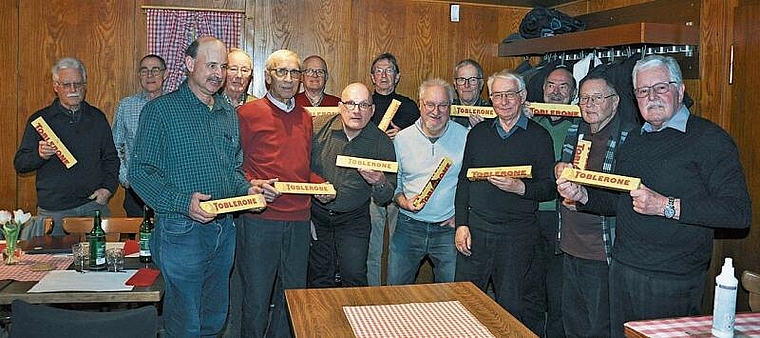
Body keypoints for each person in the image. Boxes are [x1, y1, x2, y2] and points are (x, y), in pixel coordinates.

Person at [556, 55, 751, 338]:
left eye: (660, 88)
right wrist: (582, 195)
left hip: (673, 280)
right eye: (643, 91)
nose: (652, 97)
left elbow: (738, 213)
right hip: (622, 270)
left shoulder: (710, 139)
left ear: (680, 90)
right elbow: (618, 201)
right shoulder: (635, 139)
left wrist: (665, 206)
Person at [129, 36, 259, 337]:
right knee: (185, 323)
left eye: (223, 66)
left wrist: (248, 190)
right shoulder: (161, 111)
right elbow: (140, 173)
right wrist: (183, 202)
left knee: (214, 318)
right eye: (211, 65)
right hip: (180, 231)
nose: (218, 73)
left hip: (224, 230)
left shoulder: (228, 114)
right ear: (189, 64)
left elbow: (233, 171)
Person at [237, 49, 332, 338]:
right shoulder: (247, 114)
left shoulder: (305, 117)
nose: (289, 79)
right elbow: (232, 167)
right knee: (256, 296)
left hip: (299, 220)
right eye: (282, 72)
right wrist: (252, 184)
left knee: (292, 297)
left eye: (295, 73)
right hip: (260, 219)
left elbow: (301, 169)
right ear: (267, 77)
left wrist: (321, 186)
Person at [455, 70, 555, 323]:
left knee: (511, 311)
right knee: (465, 304)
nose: (504, 101)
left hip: (517, 237)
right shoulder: (477, 134)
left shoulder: (539, 136)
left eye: (510, 94)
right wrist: (461, 225)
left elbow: (549, 188)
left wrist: (520, 188)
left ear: (522, 96)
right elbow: (463, 182)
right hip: (476, 231)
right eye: (497, 95)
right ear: (490, 99)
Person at [553, 74, 637, 338]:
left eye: (597, 98)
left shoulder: (630, 137)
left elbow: (626, 200)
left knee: (599, 328)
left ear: (615, 102)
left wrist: (583, 196)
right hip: (570, 244)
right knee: (573, 325)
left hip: (602, 251)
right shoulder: (575, 130)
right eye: (584, 98)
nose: (589, 104)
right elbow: (565, 174)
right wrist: (558, 168)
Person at [14, 57, 118, 235]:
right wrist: (40, 155)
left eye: (78, 84)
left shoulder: (97, 117)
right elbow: (20, 164)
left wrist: (107, 189)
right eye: (66, 84)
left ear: (85, 85)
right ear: (56, 86)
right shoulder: (40, 120)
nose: (73, 90)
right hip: (54, 213)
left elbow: (111, 158)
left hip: (93, 207)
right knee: (51, 263)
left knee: (100, 261)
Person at [308, 83, 396, 287]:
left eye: (364, 105)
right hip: (317, 216)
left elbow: (386, 196)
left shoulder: (381, 143)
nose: (356, 111)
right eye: (350, 104)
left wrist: (380, 182)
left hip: (353, 219)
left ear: (372, 110)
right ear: (340, 107)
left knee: (354, 276)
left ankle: (355, 319)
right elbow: (300, 167)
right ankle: (322, 320)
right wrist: (315, 187)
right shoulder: (317, 128)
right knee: (318, 276)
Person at [387, 78, 468, 285]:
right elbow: (394, 185)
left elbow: (474, 184)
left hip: (448, 231)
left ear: (451, 107)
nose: (436, 111)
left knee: (452, 297)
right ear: (420, 105)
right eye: (430, 104)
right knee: (395, 293)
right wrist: (404, 202)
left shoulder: (467, 137)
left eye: (443, 105)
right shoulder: (402, 139)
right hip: (408, 227)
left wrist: (462, 215)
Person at [522, 65, 577, 338]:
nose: (556, 92)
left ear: (573, 93)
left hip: (562, 219)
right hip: (529, 215)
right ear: (542, 90)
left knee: (558, 293)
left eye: (563, 86)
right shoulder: (529, 123)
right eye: (550, 86)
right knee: (529, 289)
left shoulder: (580, 126)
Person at [366, 52, 420, 286]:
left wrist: (403, 135)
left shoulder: (409, 107)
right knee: (373, 245)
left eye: (389, 70)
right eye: (379, 70)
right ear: (372, 76)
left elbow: (422, 139)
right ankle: (373, 292)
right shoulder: (364, 104)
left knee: (400, 245)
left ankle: (396, 293)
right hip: (372, 181)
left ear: (397, 76)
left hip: (401, 183)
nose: (384, 75)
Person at [112, 54, 166, 217]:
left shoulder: (176, 106)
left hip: (169, 188)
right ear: (139, 76)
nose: (150, 75)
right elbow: (115, 145)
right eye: (144, 71)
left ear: (166, 74)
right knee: (138, 240)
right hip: (136, 190)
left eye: (155, 70)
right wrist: (125, 178)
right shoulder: (126, 106)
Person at [452, 59, 490, 128]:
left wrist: (484, 130)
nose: (467, 85)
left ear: (481, 84)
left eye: (472, 80)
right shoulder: (445, 110)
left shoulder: (493, 114)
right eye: (461, 80)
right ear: (455, 84)